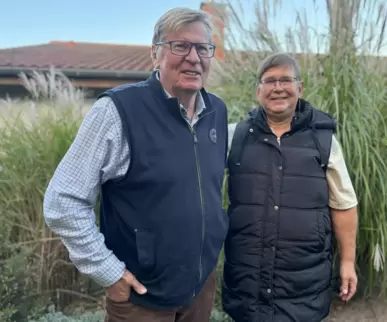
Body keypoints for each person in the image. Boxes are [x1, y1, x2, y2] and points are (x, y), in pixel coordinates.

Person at [43, 7, 229, 322]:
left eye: (203, 48)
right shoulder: (118, 111)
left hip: (199, 287)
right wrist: (110, 274)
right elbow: (63, 202)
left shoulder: (216, 112)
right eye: (180, 46)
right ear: (155, 54)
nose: (194, 57)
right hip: (141, 298)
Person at [222, 53, 359, 322]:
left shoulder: (324, 141)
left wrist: (346, 262)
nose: (278, 87)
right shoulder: (234, 136)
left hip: (304, 288)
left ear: (300, 87)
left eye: (286, 79)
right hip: (247, 285)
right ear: (258, 90)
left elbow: (344, 205)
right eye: (269, 81)